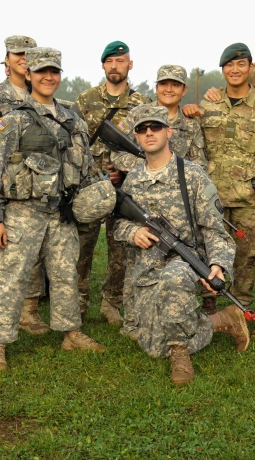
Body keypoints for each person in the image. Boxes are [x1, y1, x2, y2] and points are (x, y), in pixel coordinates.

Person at [0, 47, 105, 372]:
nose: (49, 77)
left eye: (54, 72)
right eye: (42, 72)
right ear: (30, 75)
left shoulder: (72, 120)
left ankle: (71, 333)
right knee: (11, 278)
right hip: (22, 212)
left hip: (62, 212)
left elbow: (87, 167)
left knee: (66, 275)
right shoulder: (12, 121)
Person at [113, 105, 249, 386]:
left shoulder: (192, 175)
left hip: (187, 264)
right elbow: (118, 224)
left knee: (174, 277)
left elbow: (215, 230)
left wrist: (218, 266)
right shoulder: (132, 180)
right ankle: (221, 320)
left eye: (155, 127)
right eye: (142, 129)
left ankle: (180, 354)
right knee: (152, 347)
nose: (149, 133)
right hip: (147, 270)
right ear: (136, 136)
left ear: (169, 131)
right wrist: (133, 231)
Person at [111, 67, 208, 337]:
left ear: (183, 89)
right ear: (156, 87)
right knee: (137, 331)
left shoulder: (190, 123)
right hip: (142, 196)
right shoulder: (139, 116)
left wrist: (172, 172)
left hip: (179, 204)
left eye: (175, 85)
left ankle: (208, 313)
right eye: (163, 84)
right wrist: (149, 164)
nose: (169, 89)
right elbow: (118, 153)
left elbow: (199, 163)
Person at [0, 35, 52, 340]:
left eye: (29, 54)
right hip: (3, 192)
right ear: (6, 59)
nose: (24, 58)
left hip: (34, 191)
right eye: (17, 53)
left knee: (33, 258)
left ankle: (27, 313)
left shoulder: (40, 94)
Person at [197, 43, 255, 306]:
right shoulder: (208, 105)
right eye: (229, 65)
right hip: (212, 197)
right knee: (208, 252)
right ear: (223, 69)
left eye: (240, 64)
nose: (235, 70)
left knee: (247, 256)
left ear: (249, 67)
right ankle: (209, 307)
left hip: (249, 197)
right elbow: (194, 144)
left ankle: (241, 306)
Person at [71, 41, 151, 324]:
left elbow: (148, 149)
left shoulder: (141, 104)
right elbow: (73, 144)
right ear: (103, 65)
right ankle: (78, 305)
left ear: (130, 65)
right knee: (83, 249)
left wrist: (124, 174)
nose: (115, 66)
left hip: (124, 191)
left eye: (121, 61)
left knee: (119, 252)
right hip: (90, 188)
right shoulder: (86, 99)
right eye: (110, 61)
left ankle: (111, 304)